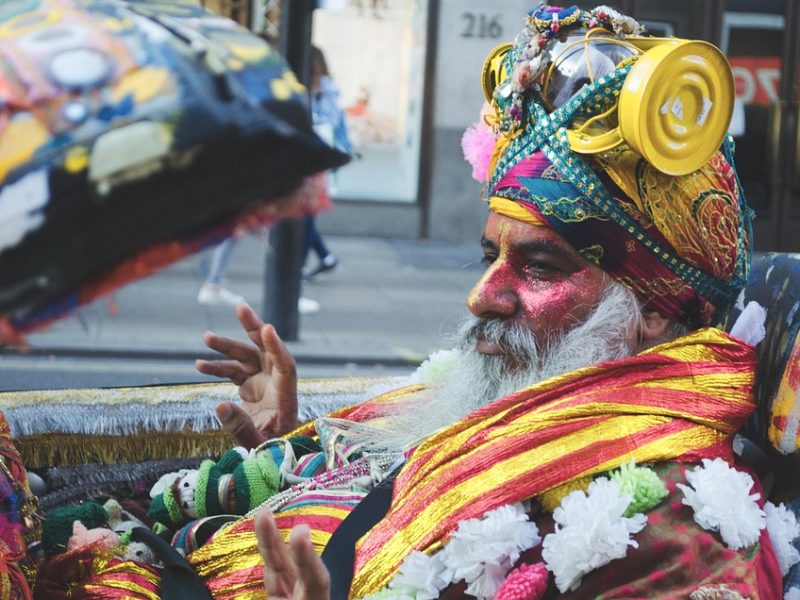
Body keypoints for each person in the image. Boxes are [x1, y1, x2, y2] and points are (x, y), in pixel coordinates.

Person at [192, 6, 789, 598]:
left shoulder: (683, 543)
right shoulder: (507, 403)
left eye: (539, 266)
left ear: (652, 309)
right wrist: (289, 448)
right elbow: (378, 516)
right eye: (489, 258)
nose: (483, 297)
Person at [301, 46, 347, 281]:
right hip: (307, 158)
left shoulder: (326, 90)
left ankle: (300, 264)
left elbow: (330, 120)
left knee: (306, 212)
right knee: (304, 212)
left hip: (316, 160)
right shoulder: (307, 87)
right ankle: (325, 256)